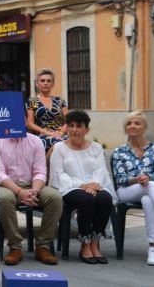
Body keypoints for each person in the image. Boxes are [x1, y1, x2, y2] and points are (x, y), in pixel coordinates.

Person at [50, 110, 116, 265]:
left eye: (78, 126)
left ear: (87, 130)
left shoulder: (96, 148)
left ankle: (95, 243)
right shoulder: (59, 148)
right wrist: (82, 185)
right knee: (87, 199)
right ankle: (85, 245)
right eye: (71, 126)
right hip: (69, 188)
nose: (74, 129)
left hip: (94, 185)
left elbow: (101, 170)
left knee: (105, 198)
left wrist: (94, 184)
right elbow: (58, 174)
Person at [111, 110, 154, 266]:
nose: (132, 126)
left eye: (137, 123)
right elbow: (120, 178)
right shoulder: (119, 151)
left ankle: (153, 248)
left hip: (149, 190)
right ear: (125, 128)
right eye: (129, 123)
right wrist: (137, 179)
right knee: (151, 186)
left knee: (148, 199)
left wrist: (149, 178)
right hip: (127, 191)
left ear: (144, 127)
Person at [0, 133, 62, 266]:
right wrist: (19, 191)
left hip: (32, 185)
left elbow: (40, 171)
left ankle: (43, 246)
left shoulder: (35, 141)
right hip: (6, 185)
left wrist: (34, 192)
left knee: (55, 197)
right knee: (4, 198)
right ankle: (15, 247)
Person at [26, 68, 69, 152]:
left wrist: (60, 132)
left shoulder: (59, 100)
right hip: (41, 135)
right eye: (42, 81)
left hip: (60, 134)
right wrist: (46, 132)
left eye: (49, 81)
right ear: (37, 84)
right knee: (56, 143)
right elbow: (30, 124)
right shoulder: (33, 101)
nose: (46, 83)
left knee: (73, 142)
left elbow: (69, 121)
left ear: (53, 84)